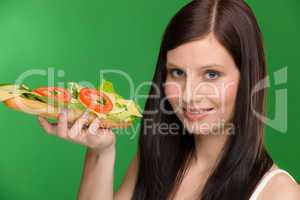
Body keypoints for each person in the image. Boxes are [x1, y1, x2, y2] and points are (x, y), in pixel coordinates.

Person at [38, 0, 300, 199]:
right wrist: (100, 152)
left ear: (249, 79)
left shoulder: (279, 192)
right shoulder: (157, 156)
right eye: (177, 72)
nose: (188, 95)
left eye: (211, 74)